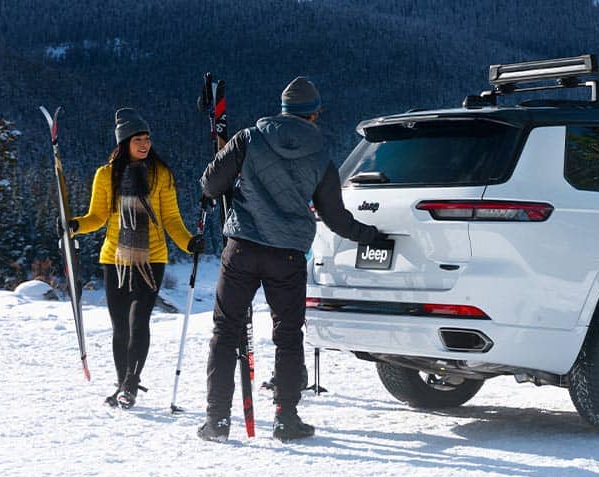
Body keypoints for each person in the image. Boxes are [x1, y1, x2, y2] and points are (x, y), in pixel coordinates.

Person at [197, 76, 387, 442]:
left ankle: (217, 420)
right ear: (314, 115)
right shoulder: (321, 157)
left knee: (225, 332)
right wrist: (371, 235)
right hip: (286, 256)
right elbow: (335, 218)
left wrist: (236, 182)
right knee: (287, 336)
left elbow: (209, 184)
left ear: (283, 109)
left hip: (242, 248)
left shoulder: (248, 138)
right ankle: (286, 419)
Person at [70, 109, 202, 408]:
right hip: (114, 260)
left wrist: (189, 244)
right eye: (138, 139)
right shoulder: (106, 175)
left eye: (147, 139)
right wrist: (74, 225)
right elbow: (98, 217)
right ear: (124, 142)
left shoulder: (161, 173)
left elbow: (171, 218)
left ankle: (130, 383)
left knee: (139, 319)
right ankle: (121, 384)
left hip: (151, 259)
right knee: (120, 326)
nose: (144, 144)